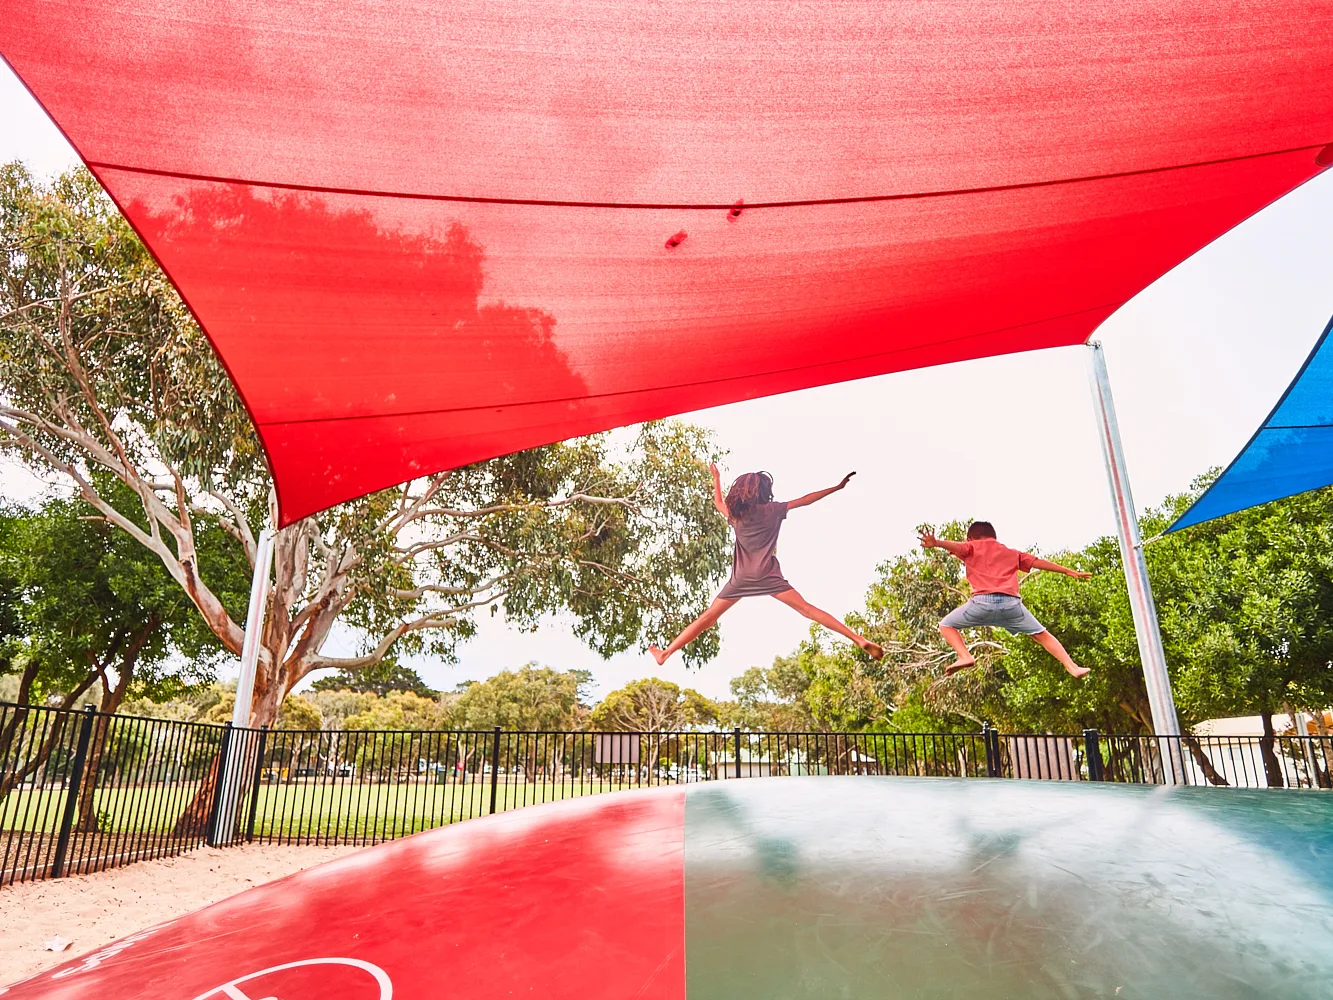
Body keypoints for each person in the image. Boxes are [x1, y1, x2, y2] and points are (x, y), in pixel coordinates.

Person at [649, 465, 884, 665]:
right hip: (768, 576)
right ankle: (857, 639)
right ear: (765, 492)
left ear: (740, 491)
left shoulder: (734, 514)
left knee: (707, 618)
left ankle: (666, 653)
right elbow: (805, 500)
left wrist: (717, 479)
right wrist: (836, 487)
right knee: (807, 610)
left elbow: (717, 502)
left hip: (741, 578)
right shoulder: (774, 510)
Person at [918, 521, 1091, 678]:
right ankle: (1073, 667)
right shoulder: (1011, 553)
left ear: (970, 538)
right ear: (994, 536)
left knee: (946, 625)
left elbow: (956, 547)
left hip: (981, 604)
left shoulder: (971, 547)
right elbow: (1038, 562)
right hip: (1011, 606)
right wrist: (1068, 571)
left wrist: (937, 543)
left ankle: (965, 656)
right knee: (1042, 635)